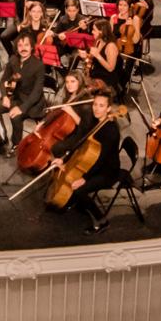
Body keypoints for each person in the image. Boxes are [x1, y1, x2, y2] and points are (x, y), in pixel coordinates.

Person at [49, 89, 119, 235]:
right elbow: (81, 145)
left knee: (79, 189)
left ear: (108, 108)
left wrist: (84, 179)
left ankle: (102, 221)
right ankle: (75, 202)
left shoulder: (111, 131)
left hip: (107, 171)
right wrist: (64, 159)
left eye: (101, 106)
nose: (96, 108)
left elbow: (101, 159)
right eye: (95, 104)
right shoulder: (95, 121)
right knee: (67, 174)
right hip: (93, 163)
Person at [0, 33, 46, 153]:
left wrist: (22, 108)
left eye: (26, 45)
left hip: (32, 103)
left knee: (15, 116)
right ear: (16, 48)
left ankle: (17, 144)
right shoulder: (13, 59)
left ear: (32, 47)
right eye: (20, 45)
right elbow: (3, 80)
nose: (23, 48)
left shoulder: (39, 65)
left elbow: (37, 92)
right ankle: (2, 138)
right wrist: (4, 97)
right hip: (16, 96)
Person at [79, 18, 123, 98]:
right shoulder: (98, 40)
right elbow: (93, 59)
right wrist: (86, 55)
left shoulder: (111, 46)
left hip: (107, 79)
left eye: (94, 30)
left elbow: (110, 68)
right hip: (97, 73)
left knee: (83, 92)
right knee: (77, 82)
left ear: (101, 31)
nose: (92, 32)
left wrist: (98, 56)